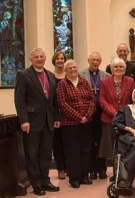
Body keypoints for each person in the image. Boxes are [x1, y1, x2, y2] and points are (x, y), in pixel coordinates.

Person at [14, 48, 60, 196]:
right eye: (36, 57)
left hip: (48, 121)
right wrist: (24, 120)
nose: (39, 59)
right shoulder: (23, 75)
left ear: (45, 58)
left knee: (46, 153)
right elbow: (19, 100)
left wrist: (57, 118)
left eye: (42, 56)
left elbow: (54, 100)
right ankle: (36, 184)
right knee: (32, 154)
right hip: (31, 122)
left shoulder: (51, 76)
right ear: (31, 59)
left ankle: (45, 181)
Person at [56, 59, 96, 188]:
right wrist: (79, 117)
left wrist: (87, 116)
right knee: (72, 151)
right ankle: (74, 178)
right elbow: (62, 104)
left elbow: (92, 100)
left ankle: (84, 176)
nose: (73, 70)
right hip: (70, 124)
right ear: (65, 71)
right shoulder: (62, 84)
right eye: (70, 68)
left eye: (74, 67)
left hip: (87, 122)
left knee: (85, 149)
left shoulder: (84, 82)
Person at [99, 58, 135, 180]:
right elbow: (102, 101)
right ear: (111, 69)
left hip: (126, 120)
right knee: (113, 148)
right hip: (109, 119)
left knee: (126, 147)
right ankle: (116, 173)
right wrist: (115, 113)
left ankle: (126, 172)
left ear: (124, 69)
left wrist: (124, 114)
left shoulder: (130, 81)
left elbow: (133, 99)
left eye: (121, 67)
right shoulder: (104, 82)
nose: (118, 69)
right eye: (116, 67)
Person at [79, 52, 111, 180]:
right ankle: (91, 169)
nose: (95, 62)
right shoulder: (81, 75)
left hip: (102, 113)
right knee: (90, 142)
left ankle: (102, 168)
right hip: (87, 113)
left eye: (97, 60)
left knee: (101, 141)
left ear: (101, 61)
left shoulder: (106, 76)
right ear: (88, 60)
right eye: (93, 60)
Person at [51, 51, 67, 180]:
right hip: (55, 114)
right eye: (58, 59)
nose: (60, 61)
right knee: (57, 143)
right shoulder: (50, 76)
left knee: (68, 142)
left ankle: (68, 167)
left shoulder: (69, 75)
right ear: (54, 61)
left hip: (69, 114)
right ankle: (60, 168)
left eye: (62, 58)